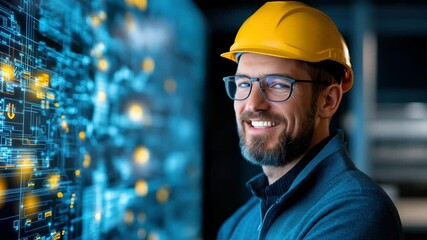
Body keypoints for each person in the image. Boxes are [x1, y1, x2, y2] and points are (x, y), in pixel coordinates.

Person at [216, 1, 403, 240]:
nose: (253, 104)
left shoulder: (356, 212)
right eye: (244, 84)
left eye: (277, 85)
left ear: (328, 101)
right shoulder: (239, 223)